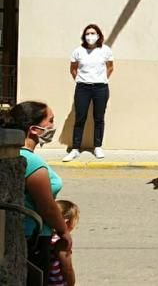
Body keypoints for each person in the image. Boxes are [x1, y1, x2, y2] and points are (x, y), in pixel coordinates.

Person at [0, 101, 72, 286]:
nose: (53, 127)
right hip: (33, 238)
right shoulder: (32, 163)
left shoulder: (19, 156)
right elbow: (47, 206)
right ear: (34, 129)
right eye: (50, 120)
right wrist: (63, 230)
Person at [63, 23, 114, 162]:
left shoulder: (105, 50)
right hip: (82, 88)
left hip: (100, 88)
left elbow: (110, 67)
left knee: (99, 117)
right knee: (80, 117)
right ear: (84, 36)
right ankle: (75, 148)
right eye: (87, 33)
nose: (90, 36)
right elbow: (73, 68)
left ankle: (97, 146)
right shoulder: (78, 51)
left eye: (93, 33)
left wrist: (101, 79)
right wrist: (80, 80)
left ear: (98, 35)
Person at [48, 200, 79, 286]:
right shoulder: (62, 242)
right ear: (66, 221)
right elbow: (67, 268)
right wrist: (71, 283)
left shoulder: (47, 237)